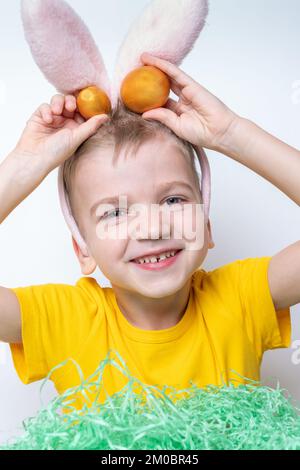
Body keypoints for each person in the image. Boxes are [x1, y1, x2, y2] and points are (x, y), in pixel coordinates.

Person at [0, 53, 299, 410]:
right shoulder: (66, 319)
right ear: (83, 249)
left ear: (206, 223)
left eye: (173, 201)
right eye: (116, 212)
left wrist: (233, 134)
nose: (153, 228)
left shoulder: (240, 299)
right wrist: (24, 165)